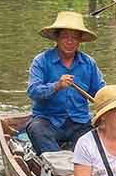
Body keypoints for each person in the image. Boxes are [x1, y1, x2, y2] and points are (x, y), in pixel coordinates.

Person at [26, 11, 105, 153]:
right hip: (48, 121)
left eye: (74, 38)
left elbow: (100, 92)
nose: (70, 42)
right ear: (57, 38)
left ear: (80, 40)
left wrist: (111, 103)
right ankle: (58, 164)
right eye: (65, 37)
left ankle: (74, 158)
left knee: (99, 133)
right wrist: (56, 86)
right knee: (36, 129)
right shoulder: (41, 61)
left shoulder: (88, 64)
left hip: (79, 123)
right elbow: (33, 91)